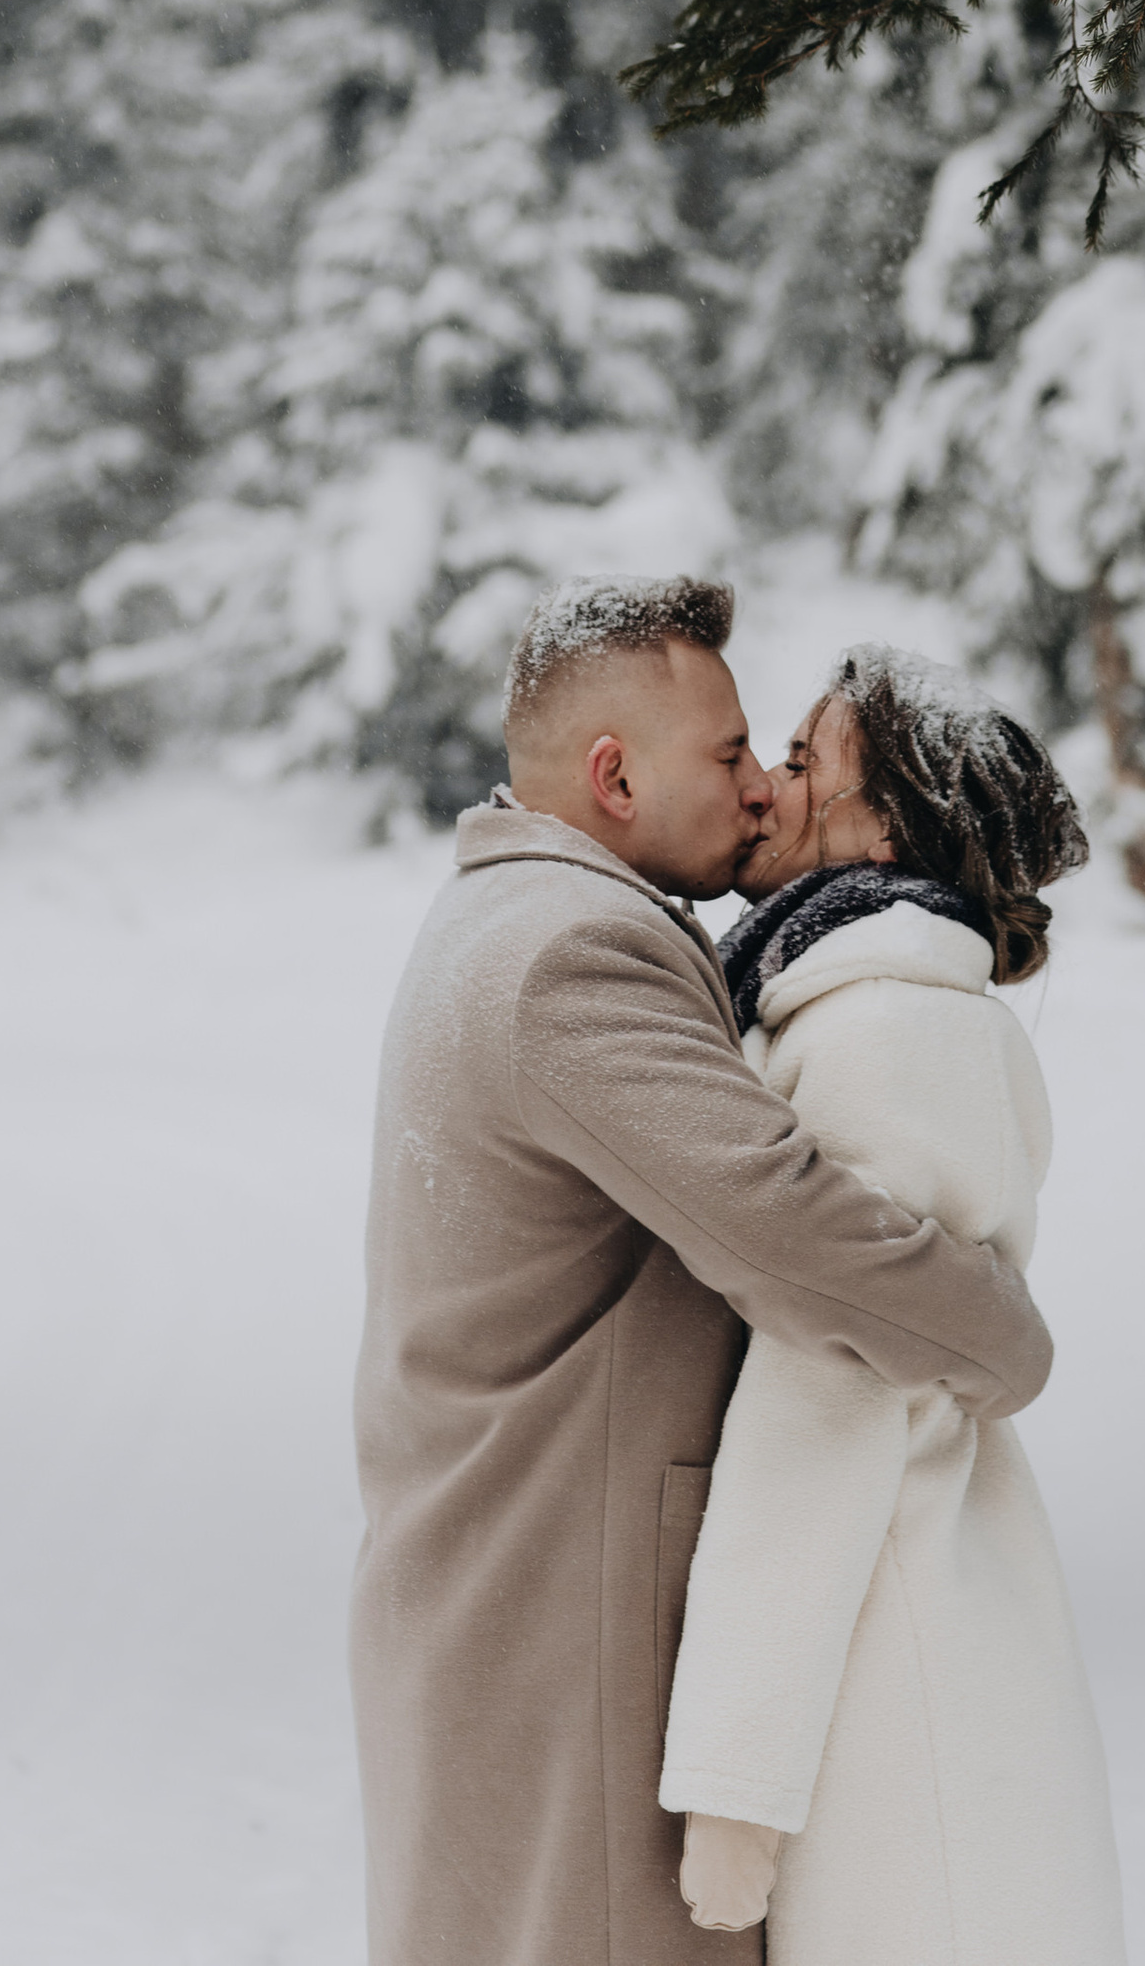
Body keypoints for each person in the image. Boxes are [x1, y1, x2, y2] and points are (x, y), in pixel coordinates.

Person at [347, 577, 1056, 1966]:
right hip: (565, 1616)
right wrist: (1004, 1346)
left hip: (509, 1596)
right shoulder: (569, 957)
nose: (753, 791)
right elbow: (786, 1228)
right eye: (732, 755)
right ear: (614, 776)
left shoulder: (501, 921)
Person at [664, 650, 1129, 1966]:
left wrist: (735, 1782)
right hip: (914, 1627)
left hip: (897, 1664)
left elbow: (835, 1397)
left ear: (880, 828)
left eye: (806, 763)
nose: (766, 787)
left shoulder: (881, 1034)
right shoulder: (871, 1004)